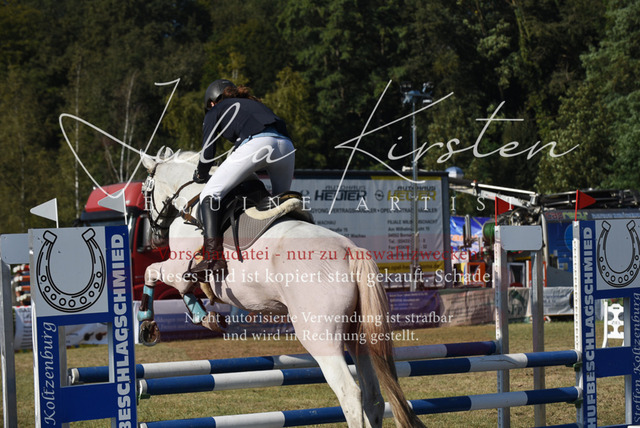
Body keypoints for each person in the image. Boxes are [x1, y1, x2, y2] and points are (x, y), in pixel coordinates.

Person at [189, 79, 295, 277]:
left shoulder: (215, 110)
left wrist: (201, 173)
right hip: (287, 147)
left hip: (258, 145)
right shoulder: (254, 104)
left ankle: (213, 257)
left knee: (209, 194)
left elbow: (208, 151)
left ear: (212, 101)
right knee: (282, 203)